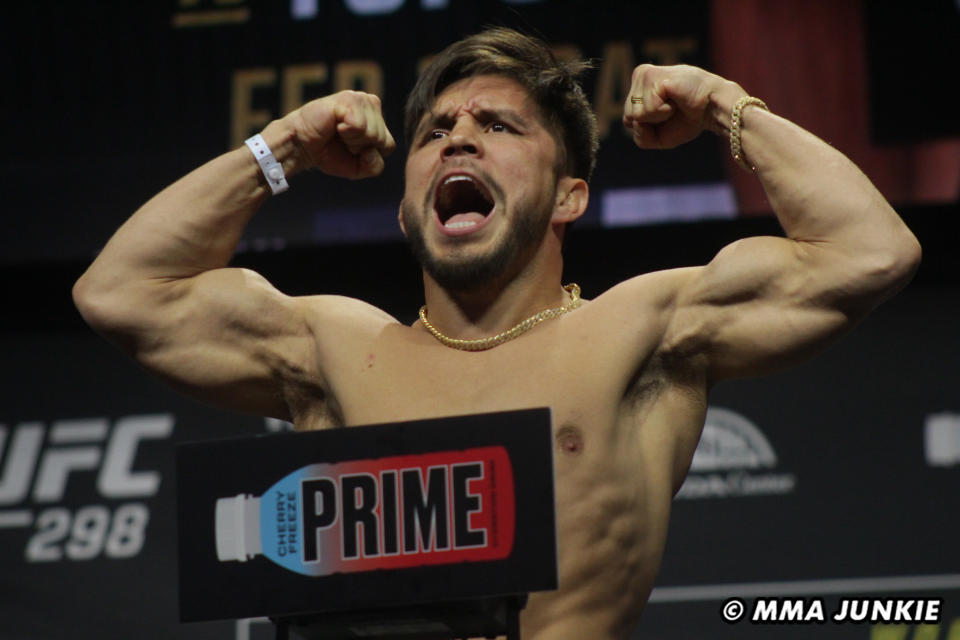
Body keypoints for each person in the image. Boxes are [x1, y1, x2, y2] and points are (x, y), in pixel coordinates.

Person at [73, 28, 920, 640]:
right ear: (407, 207)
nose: (457, 140)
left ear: (567, 198)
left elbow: (869, 253)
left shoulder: (646, 331)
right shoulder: (331, 348)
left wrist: (724, 104)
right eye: (435, 131)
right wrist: (282, 146)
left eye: (498, 127)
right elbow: (121, 293)